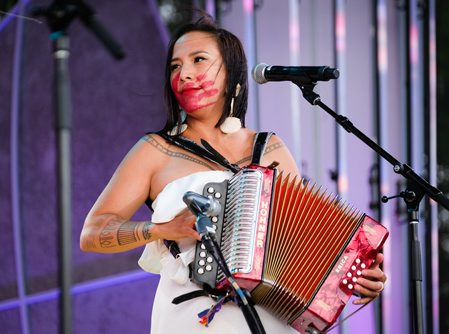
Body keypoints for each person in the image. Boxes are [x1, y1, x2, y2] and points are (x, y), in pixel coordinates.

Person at [80, 14, 387, 334]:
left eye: (198, 60)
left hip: (271, 321)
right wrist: (164, 228)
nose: (183, 73)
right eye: (175, 66)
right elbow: (93, 233)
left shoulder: (270, 148)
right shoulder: (154, 149)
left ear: (231, 74)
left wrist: (356, 276)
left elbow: (305, 243)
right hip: (194, 320)